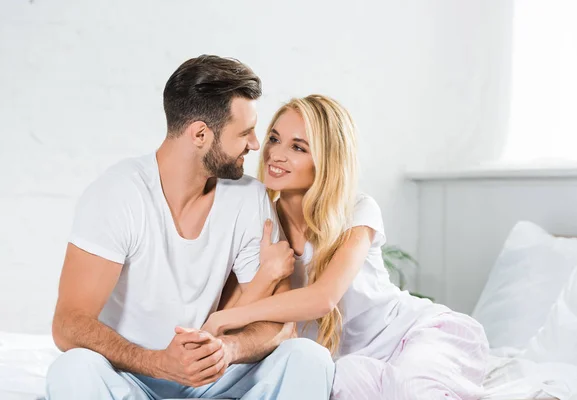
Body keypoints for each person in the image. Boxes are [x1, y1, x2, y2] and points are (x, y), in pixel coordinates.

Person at [46, 56, 334, 400]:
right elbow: (68, 324)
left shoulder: (248, 197)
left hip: (217, 381)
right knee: (72, 369)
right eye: (245, 133)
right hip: (133, 378)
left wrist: (229, 348)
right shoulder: (118, 194)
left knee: (308, 357)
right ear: (200, 134)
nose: (256, 145)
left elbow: (280, 325)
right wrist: (157, 362)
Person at [202, 94, 489, 400]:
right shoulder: (259, 224)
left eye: (298, 147)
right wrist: (267, 274)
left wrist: (226, 319)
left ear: (327, 158)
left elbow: (323, 298)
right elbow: (240, 317)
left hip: (412, 334)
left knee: (412, 390)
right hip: (349, 365)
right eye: (274, 138)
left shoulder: (356, 211)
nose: (276, 154)